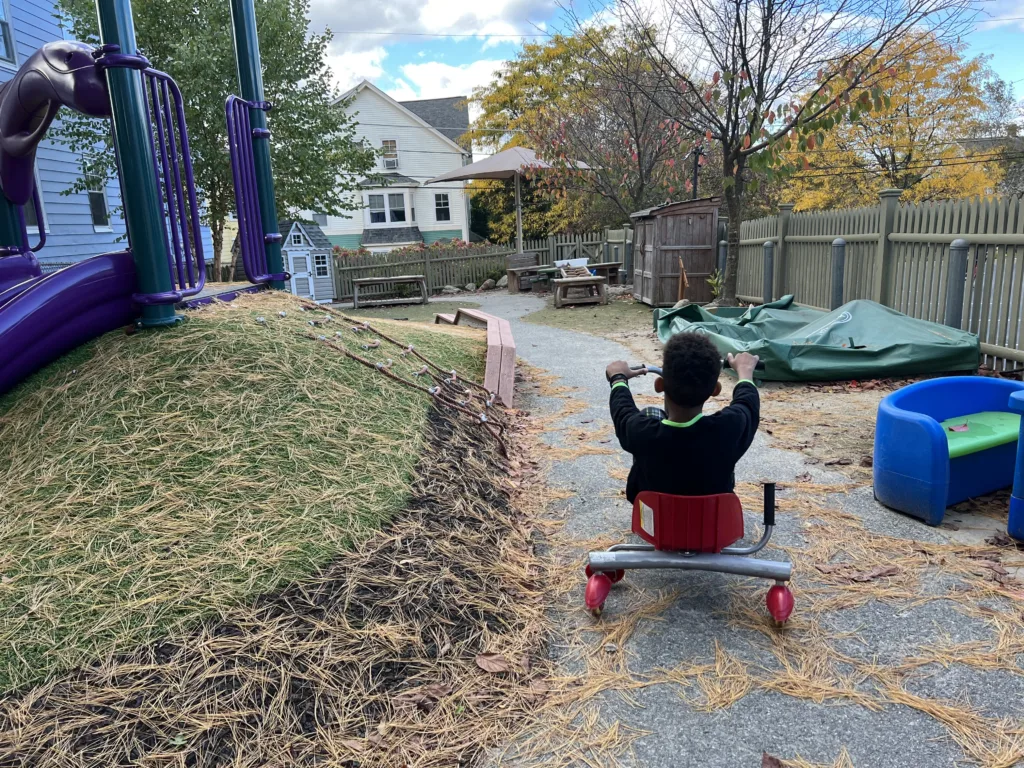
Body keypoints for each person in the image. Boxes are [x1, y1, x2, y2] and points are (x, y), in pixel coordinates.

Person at [605, 333, 760, 503]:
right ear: (715, 390)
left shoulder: (640, 431)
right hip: (713, 527)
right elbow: (747, 403)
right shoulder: (730, 428)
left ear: (659, 385)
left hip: (654, 527)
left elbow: (623, 410)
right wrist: (745, 373)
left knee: (649, 414)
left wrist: (618, 379)